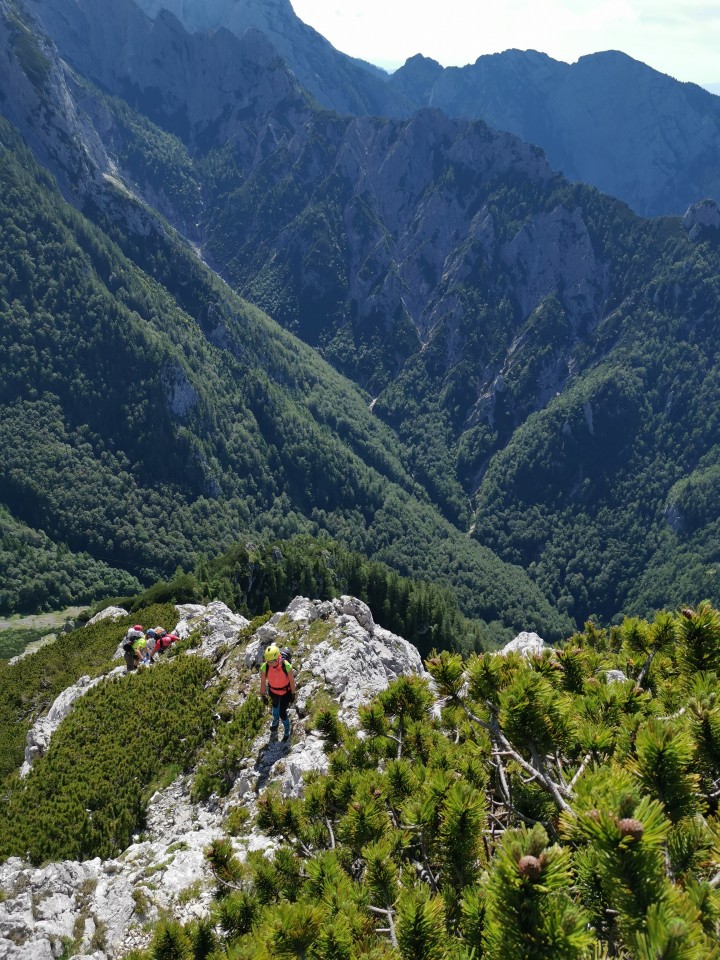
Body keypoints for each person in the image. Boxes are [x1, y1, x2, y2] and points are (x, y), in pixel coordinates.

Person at [259, 643, 296, 741]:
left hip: (286, 692)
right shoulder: (265, 667)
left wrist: (293, 693)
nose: (270, 664)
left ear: (278, 657)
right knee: (275, 707)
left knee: (282, 713)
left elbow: (291, 680)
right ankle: (275, 721)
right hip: (273, 691)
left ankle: (287, 730)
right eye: (268, 661)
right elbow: (262, 682)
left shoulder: (286, 665)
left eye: (272, 661)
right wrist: (263, 695)